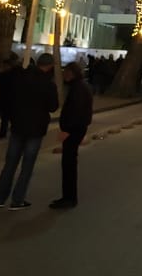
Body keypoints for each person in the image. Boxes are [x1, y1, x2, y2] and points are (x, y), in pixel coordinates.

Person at [0, 53, 59, 210]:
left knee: (10, 164)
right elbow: (53, 106)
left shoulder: (21, 78)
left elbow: (11, 97)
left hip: (18, 125)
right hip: (36, 128)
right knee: (27, 166)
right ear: (50, 66)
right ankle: (17, 199)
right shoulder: (48, 84)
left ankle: (0, 198)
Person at [52, 61, 93, 209]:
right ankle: (68, 196)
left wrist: (67, 130)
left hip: (73, 129)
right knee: (69, 162)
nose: (64, 75)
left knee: (68, 163)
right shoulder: (81, 87)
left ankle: (69, 197)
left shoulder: (78, 89)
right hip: (77, 128)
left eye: (66, 72)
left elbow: (76, 111)